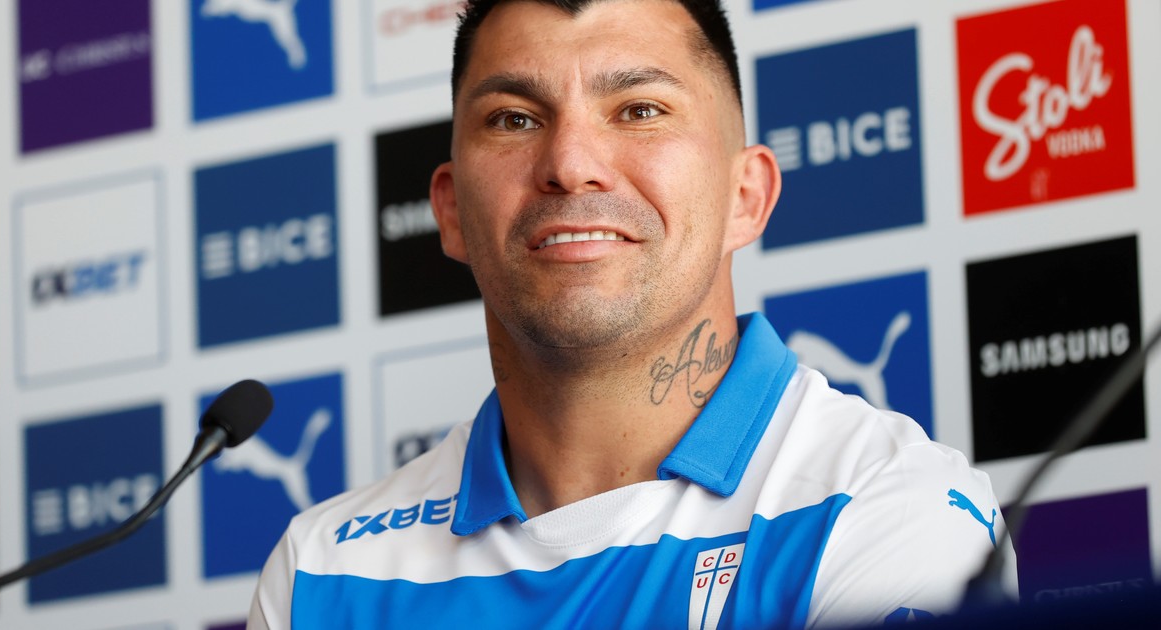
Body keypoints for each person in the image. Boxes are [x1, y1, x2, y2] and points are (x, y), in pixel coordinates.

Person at [248, 1, 1016, 627]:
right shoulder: (322, 571)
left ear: (745, 197)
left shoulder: (889, 505)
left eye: (639, 109)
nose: (570, 164)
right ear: (449, 212)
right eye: (514, 119)